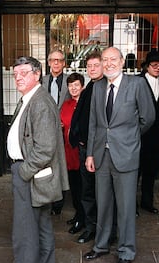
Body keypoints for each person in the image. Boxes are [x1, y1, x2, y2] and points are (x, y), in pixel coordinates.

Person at [0, 56, 69, 263]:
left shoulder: (39, 101)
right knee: (41, 226)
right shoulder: (30, 98)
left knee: (24, 233)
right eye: (16, 73)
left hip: (30, 174)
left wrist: (24, 172)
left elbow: (45, 148)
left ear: (37, 75)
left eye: (24, 73)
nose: (19, 77)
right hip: (32, 174)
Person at [84, 47, 155, 263]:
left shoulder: (137, 85)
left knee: (125, 207)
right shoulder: (97, 87)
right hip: (101, 156)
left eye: (113, 59)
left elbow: (148, 118)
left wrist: (128, 138)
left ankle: (126, 250)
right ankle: (102, 244)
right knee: (103, 203)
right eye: (105, 60)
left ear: (122, 62)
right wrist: (90, 154)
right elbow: (94, 123)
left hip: (126, 155)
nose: (108, 64)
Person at [69, 52, 103, 244]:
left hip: (98, 150)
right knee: (87, 191)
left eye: (95, 65)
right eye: (89, 66)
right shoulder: (90, 86)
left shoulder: (104, 87)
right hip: (84, 148)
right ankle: (90, 226)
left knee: (101, 192)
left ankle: (101, 229)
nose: (92, 69)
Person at [138, 51, 159, 214]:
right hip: (140, 135)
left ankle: (147, 202)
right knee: (135, 171)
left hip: (157, 135)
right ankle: (130, 205)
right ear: (146, 67)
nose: (157, 68)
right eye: (154, 65)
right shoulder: (137, 82)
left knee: (151, 172)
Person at [42, 49, 71, 215]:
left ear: (64, 63)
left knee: (62, 165)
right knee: (48, 165)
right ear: (48, 62)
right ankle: (48, 199)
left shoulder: (70, 81)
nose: (56, 63)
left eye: (59, 60)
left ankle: (59, 203)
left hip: (64, 131)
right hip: (46, 130)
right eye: (53, 60)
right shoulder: (42, 81)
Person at [60, 73, 85, 234]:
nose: (73, 88)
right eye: (70, 85)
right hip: (68, 152)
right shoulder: (66, 104)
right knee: (74, 188)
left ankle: (83, 218)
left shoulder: (85, 103)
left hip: (81, 152)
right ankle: (78, 215)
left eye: (76, 85)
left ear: (82, 86)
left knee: (84, 188)